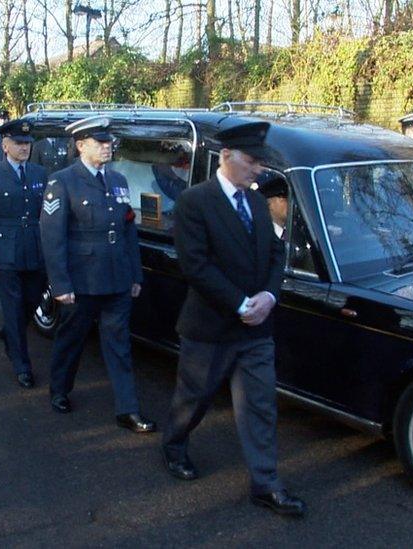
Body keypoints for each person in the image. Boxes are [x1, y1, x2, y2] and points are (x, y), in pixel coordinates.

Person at [160, 121, 305, 517]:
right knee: (194, 399)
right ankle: (174, 445)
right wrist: (242, 304)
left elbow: (276, 256)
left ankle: (266, 484)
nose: (258, 168)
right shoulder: (195, 202)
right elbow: (196, 266)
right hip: (211, 329)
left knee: (260, 406)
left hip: (257, 330)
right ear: (226, 156)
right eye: (252, 160)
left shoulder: (257, 202)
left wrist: (270, 296)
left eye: (260, 161)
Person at [39, 117, 154, 434]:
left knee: (119, 345)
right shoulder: (62, 181)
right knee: (71, 339)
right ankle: (59, 390)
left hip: (117, 276)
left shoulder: (118, 180)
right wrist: (60, 284)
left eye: (109, 142)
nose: (107, 147)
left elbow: (128, 229)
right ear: (80, 146)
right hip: (82, 281)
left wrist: (135, 274)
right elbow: (53, 238)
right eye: (100, 142)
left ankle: (128, 410)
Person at [0, 119, 48, 388]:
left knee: (32, 301)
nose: (24, 148)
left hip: (35, 249)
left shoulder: (40, 173)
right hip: (5, 251)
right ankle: (21, 364)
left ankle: (9, 334)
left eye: (27, 143)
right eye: (18, 143)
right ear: (5, 145)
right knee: (14, 308)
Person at [256, 171, 288, 239]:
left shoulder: (298, 236)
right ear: (268, 203)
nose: (289, 201)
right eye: (283, 196)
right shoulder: (260, 236)